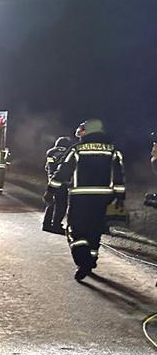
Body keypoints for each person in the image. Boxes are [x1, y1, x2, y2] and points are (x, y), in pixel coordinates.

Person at [45, 119, 125, 280]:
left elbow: (63, 172)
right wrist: (119, 197)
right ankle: (92, 258)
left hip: (80, 197)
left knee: (75, 230)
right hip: (103, 199)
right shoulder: (113, 151)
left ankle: (83, 261)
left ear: (87, 131)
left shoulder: (77, 149)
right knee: (95, 230)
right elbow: (119, 176)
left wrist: (51, 190)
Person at [42, 136, 72, 234]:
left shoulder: (50, 152)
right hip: (62, 180)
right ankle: (56, 225)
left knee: (51, 202)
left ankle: (46, 224)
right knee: (61, 204)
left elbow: (48, 167)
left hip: (51, 179)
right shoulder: (68, 152)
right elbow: (66, 167)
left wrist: (51, 175)